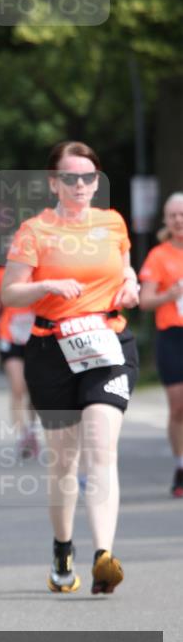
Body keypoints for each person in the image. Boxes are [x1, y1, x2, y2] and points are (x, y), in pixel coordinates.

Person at [1, 142, 140, 595]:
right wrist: (47, 284)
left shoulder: (112, 222)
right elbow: (11, 293)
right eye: (71, 178)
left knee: (102, 446)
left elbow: (126, 269)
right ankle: (63, 547)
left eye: (88, 177)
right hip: (51, 349)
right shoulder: (34, 230)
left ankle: (104, 555)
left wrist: (133, 284)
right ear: (54, 183)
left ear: (97, 182)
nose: (80, 185)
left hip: (108, 344)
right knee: (64, 461)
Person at [138, 192, 183, 498]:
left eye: (182, 215)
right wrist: (170, 295)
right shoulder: (158, 255)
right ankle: (181, 464)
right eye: (173, 216)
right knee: (179, 407)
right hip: (172, 336)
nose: (178, 220)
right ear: (165, 220)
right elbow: (144, 301)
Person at [0, 264, 39, 459]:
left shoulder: (40, 271)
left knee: (34, 389)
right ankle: (22, 435)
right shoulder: (1, 273)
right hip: (10, 334)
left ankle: (33, 429)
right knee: (18, 387)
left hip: (35, 335)